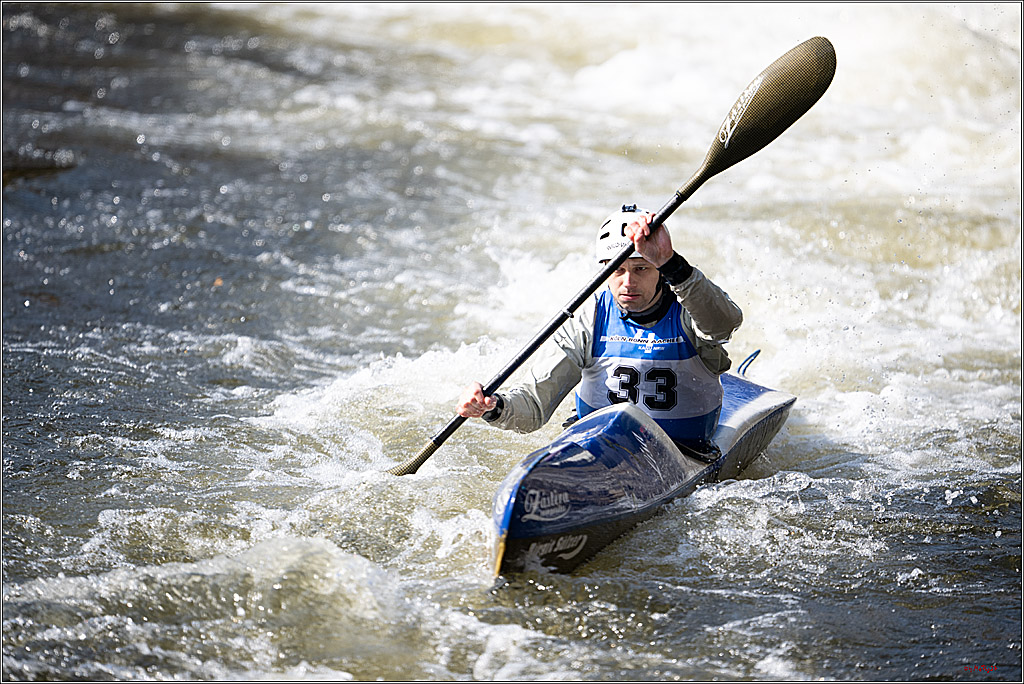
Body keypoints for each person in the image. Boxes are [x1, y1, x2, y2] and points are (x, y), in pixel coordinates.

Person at [456, 204, 743, 454]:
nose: (628, 282)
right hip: (600, 449)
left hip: (684, 450)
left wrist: (673, 264)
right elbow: (533, 406)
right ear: (604, 268)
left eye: (641, 268)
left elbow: (724, 325)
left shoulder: (689, 309)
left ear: (659, 270)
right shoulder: (588, 319)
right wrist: (493, 407)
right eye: (617, 270)